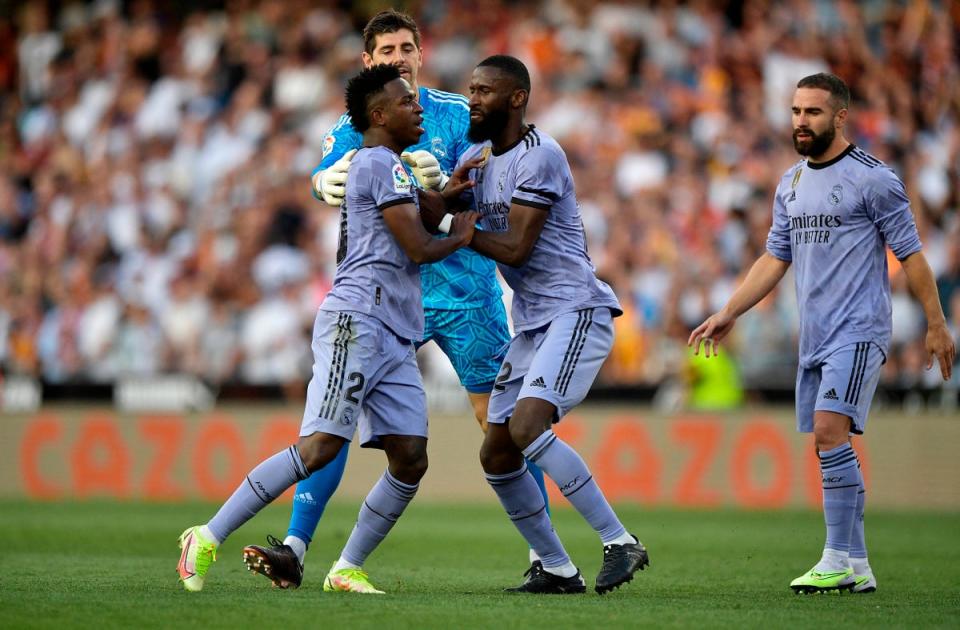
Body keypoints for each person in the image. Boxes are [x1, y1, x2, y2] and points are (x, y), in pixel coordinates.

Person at [243, 9, 551, 590]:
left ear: (419, 53)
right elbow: (329, 167)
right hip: (387, 299)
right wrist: (321, 181)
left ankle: (546, 557)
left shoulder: (458, 112)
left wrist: (449, 184)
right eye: (387, 50)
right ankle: (295, 547)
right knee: (335, 420)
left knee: (503, 422)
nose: (399, 57)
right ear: (368, 62)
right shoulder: (354, 122)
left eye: (407, 47)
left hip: (465, 293)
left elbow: (490, 176)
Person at [177, 63, 479, 594]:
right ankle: (206, 535)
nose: (419, 109)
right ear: (379, 115)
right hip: (356, 322)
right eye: (408, 103)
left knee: (410, 457)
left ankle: (346, 568)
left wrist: (449, 197)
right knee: (318, 448)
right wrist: (464, 234)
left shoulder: (393, 166)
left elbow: (418, 218)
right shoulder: (375, 163)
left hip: (395, 331)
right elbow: (419, 245)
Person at [688, 73, 956, 595]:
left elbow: (912, 254)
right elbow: (774, 258)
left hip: (858, 329)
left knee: (830, 432)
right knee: (828, 442)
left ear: (839, 117)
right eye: (795, 111)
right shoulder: (790, 183)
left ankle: (835, 559)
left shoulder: (874, 179)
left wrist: (937, 322)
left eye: (812, 112)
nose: (800, 122)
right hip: (814, 335)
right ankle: (856, 565)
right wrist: (730, 311)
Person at [452, 55, 649, 595]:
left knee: (526, 427)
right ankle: (557, 567)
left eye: (485, 91)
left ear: (516, 98)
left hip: (575, 309)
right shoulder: (478, 159)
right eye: (471, 89)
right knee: (496, 452)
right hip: (534, 321)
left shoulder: (542, 157)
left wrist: (459, 229)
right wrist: (430, 193)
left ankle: (619, 540)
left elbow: (516, 245)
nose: (473, 99)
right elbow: (439, 215)